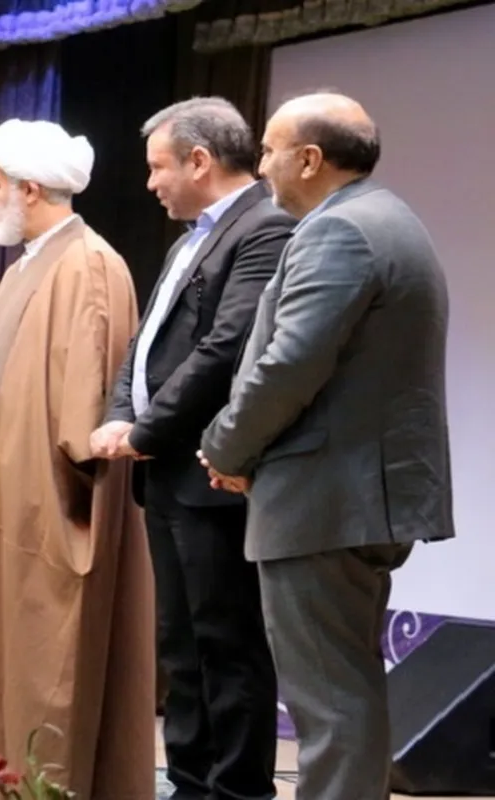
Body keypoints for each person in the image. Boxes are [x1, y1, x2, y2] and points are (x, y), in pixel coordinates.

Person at [198, 92, 454, 800]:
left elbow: (289, 364)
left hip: (325, 499)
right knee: (345, 694)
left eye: (269, 150)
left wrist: (225, 447)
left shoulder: (339, 231)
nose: (261, 166)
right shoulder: (386, 218)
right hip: (355, 496)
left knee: (330, 706)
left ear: (309, 159)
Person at [0, 119, 156, 800]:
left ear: (31, 189)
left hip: (42, 506)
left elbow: (84, 403)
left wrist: (55, 498)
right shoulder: (35, 261)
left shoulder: (88, 265)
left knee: (39, 659)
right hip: (1, 500)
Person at [90, 97, 293, 800]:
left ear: (199, 161)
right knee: (180, 645)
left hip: (213, 473)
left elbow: (225, 349)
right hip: (169, 475)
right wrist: (121, 413)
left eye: (158, 167)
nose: (150, 183)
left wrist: (145, 432)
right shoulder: (188, 241)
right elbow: (145, 345)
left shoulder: (265, 228)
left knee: (226, 645)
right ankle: (188, 783)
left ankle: (236, 791)